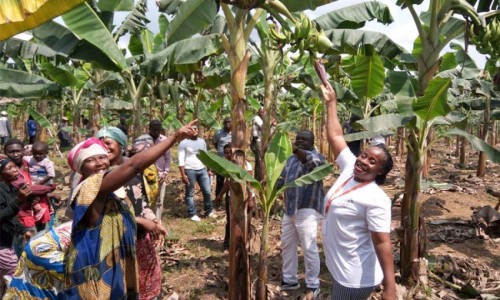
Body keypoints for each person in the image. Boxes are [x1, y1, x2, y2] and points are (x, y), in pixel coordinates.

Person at [63, 121, 197, 299]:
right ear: (80, 167)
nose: (99, 163)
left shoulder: (109, 187)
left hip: (112, 258)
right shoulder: (91, 187)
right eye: (89, 160)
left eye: (101, 157)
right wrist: (174, 138)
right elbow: (134, 165)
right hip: (95, 264)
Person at [320, 82, 396, 300]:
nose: (363, 161)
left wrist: (390, 288)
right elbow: (335, 135)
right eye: (364, 155)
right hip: (340, 268)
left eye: (372, 162)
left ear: (380, 171)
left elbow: (383, 242)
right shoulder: (348, 171)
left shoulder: (376, 198)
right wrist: (331, 103)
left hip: (353, 277)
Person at [98, 126, 166, 300]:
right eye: (99, 143)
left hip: (139, 239)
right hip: (112, 244)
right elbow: (100, 215)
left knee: (147, 285)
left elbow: (141, 201)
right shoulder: (97, 177)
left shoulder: (135, 173)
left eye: (108, 142)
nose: (103, 147)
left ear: (121, 145)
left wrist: (153, 220)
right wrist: (140, 221)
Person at [277, 130, 325, 298]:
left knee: (309, 247)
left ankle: (313, 283)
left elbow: (313, 164)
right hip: (290, 208)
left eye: (304, 139)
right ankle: (290, 280)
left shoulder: (318, 157)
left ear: (312, 141)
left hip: (307, 208)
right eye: (297, 139)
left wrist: (295, 149)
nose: (299, 141)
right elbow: (282, 179)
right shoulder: (290, 160)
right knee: (287, 245)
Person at [4, 139, 56, 237]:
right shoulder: (6, 169)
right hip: (21, 211)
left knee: (44, 237)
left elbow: (45, 176)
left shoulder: (31, 163)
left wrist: (48, 192)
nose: (15, 154)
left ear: (24, 151)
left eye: (18, 151)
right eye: (11, 152)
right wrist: (49, 188)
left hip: (41, 204)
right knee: (27, 241)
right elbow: (24, 188)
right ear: (5, 153)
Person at [0, 157, 32, 298]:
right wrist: (18, 200)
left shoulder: (11, 188)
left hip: (6, 242)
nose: (15, 170)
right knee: (17, 278)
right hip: (1, 247)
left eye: (15, 166)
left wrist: (22, 230)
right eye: (9, 168)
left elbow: (11, 217)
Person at [178, 126, 214, 221]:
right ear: (188, 131)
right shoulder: (183, 143)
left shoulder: (202, 141)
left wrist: (209, 169)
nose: (195, 130)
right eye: (192, 129)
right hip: (190, 170)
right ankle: (192, 213)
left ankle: (209, 211)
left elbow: (205, 155)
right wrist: (183, 174)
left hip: (202, 169)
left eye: (196, 129)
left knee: (207, 191)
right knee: (190, 193)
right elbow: (181, 159)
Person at [22, 141, 56, 227]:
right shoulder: (30, 158)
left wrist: (40, 183)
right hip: (34, 184)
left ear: (46, 153)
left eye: (40, 154)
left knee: (45, 197)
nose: (37, 156)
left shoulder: (47, 162)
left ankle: (48, 212)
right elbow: (21, 155)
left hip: (44, 184)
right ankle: (38, 210)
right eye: (35, 153)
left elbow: (51, 174)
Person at [213, 118, 232, 201]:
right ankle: (218, 199)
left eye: (229, 122)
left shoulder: (234, 133)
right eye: (226, 122)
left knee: (230, 181)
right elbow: (215, 144)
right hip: (220, 160)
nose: (227, 124)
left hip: (231, 161)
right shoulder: (218, 133)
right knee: (220, 181)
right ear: (223, 124)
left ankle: (229, 199)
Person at [149, 119, 171, 184]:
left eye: (159, 130)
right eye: (155, 130)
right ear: (149, 129)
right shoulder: (144, 140)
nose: (157, 132)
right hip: (147, 174)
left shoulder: (164, 140)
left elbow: (168, 158)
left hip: (160, 174)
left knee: (161, 193)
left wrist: (165, 172)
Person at [250, 108, 264, 181]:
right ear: (258, 112)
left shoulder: (261, 119)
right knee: (259, 160)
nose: (262, 113)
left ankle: (258, 177)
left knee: (259, 160)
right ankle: (258, 178)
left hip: (259, 141)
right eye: (261, 111)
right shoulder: (257, 118)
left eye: (263, 112)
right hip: (257, 141)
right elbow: (264, 128)